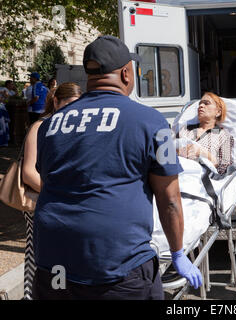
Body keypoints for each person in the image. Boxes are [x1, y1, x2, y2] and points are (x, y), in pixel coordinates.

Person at [32, 35, 202, 300]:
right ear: (126, 73)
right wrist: (178, 253)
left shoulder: (50, 125)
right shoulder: (152, 123)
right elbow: (169, 200)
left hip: (54, 263)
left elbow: (48, 182)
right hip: (116, 266)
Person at [21, 82, 82, 300]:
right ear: (56, 102)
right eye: (68, 105)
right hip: (40, 201)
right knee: (37, 254)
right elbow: (28, 172)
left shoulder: (72, 125)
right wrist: (57, 192)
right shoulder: (41, 126)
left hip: (60, 203)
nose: (72, 112)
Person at [176, 92, 234, 174]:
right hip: (178, 173)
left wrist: (202, 153)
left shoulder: (224, 136)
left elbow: (224, 168)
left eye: (207, 103)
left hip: (201, 178)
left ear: (218, 112)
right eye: (200, 104)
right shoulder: (184, 129)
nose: (201, 106)